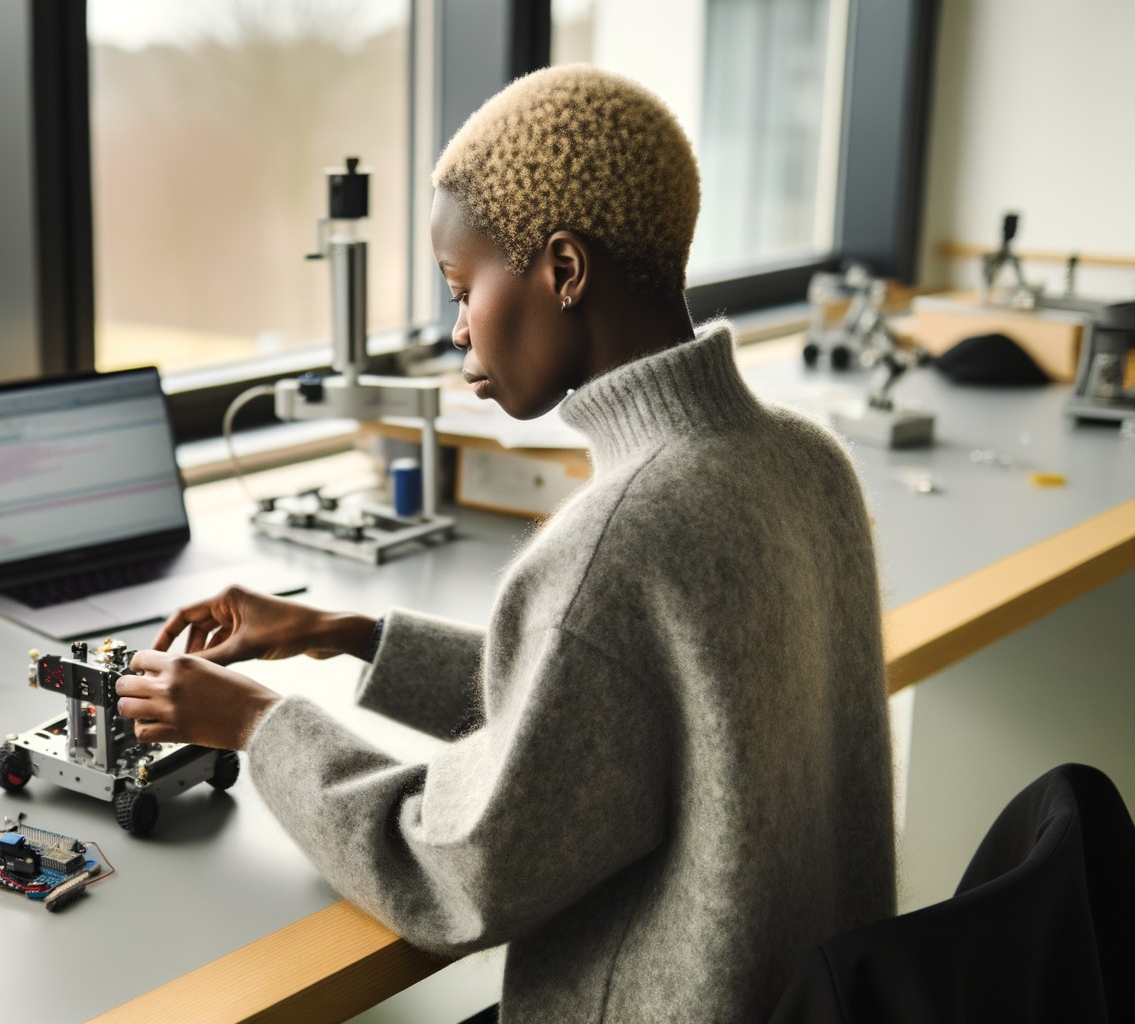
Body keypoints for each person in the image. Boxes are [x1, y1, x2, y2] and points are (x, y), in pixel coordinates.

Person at [114, 65, 895, 1022]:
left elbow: (455, 873)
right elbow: (614, 712)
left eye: (461, 286)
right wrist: (352, 632)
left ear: (563, 271)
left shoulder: (616, 541)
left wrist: (255, 725)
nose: (454, 332)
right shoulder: (811, 465)